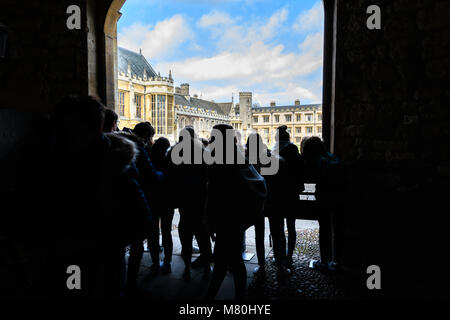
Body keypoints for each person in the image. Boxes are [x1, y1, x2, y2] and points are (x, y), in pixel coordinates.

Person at [206, 124, 267, 300]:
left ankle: (211, 299)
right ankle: (238, 297)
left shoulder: (218, 160)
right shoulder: (238, 156)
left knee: (222, 263)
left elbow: (213, 195)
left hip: (226, 218)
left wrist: (209, 220)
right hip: (237, 218)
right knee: (234, 261)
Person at [166, 126, 212, 280]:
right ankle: (206, 267)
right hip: (199, 196)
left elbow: (169, 175)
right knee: (202, 233)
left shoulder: (173, 152)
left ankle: (186, 268)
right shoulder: (203, 152)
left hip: (183, 197)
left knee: (185, 231)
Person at [302, 136, 344, 271]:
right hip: (339, 196)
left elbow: (309, 175)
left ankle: (324, 261)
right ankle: (337, 260)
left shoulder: (317, 161)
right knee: (337, 228)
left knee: (324, 229)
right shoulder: (331, 157)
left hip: (324, 197)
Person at [268, 125, 304, 273]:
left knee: (277, 230)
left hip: (275, 195)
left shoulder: (272, 152)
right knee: (291, 226)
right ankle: (289, 257)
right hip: (291, 194)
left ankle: (279, 259)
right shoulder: (294, 151)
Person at [148, 137, 174, 274]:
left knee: (153, 234)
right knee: (166, 232)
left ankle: (155, 263)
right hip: (167, 201)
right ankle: (168, 262)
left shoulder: (149, 161)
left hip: (152, 201)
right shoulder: (169, 162)